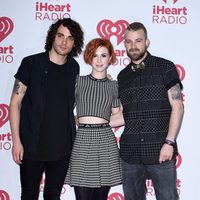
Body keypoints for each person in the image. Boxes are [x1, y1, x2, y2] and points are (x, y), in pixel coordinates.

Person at [9, 18, 84, 200]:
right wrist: (17, 141)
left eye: (70, 38)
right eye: (60, 35)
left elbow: (67, 104)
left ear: (75, 43)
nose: (64, 42)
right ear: (52, 36)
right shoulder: (31, 63)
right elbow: (15, 103)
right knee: (29, 194)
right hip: (32, 145)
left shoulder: (74, 67)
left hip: (62, 148)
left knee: (53, 195)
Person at [117, 22, 184, 200]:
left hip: (160, 151)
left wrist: (169, 143)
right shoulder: (122, 76)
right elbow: (124, 115)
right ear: (124, 44)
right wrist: (86, 120)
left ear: (147, 42)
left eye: (138, 40)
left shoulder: (165, 67)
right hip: (130, 154)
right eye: (128, 41)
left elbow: (177, 105)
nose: (133, 46)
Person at [65, 38, 122, 200]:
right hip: (82, 140)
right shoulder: (78, 81)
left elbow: (117, 114)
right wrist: (77, 119)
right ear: (89, 57)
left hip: (105, 142)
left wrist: (99, 121)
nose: (99, 60)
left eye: (103, 55)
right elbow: (65, 108)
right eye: (95, 55)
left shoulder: (114, 85)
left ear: (110, 58)